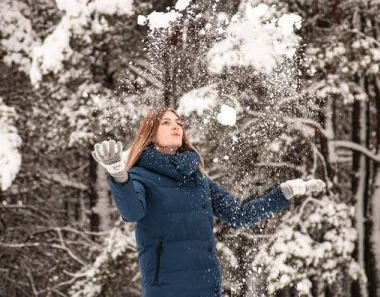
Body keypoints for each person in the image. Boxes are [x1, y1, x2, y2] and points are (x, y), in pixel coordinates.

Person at [91, 108, 325, 297]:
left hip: (207, 286)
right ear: (150, 133)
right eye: (166, 122)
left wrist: (284, 192)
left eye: (179, 123)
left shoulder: (197, 179)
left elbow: (239, 215)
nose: (176, 126)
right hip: (165, 289)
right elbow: (132, 212)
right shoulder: (141, 176)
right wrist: (119, 176)